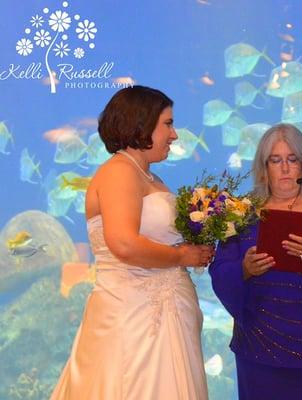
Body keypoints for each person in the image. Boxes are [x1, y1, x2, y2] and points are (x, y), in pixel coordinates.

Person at [51, 86, 214, 400]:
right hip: (134, 322)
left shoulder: (148, 177)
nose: (175, 134)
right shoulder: (119, 172)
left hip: (163, 320)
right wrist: (182, 255)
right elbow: (123, 243)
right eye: (167, 124)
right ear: (142, 124)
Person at [209, 123, 302, 400]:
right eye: (275, 160)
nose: (284, 168)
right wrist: (244, 269)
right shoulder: (241, 211)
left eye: (292, 160)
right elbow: (220, 269)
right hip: (260, 345)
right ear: (263, 167)